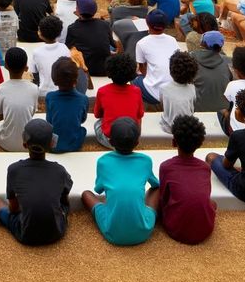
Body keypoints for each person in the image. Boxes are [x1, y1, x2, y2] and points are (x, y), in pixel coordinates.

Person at [0, 119, 73, 246]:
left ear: (24, 144)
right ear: (52, 144)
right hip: (57, 232)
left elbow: (13, 208)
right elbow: (64, 200)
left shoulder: (14, 169)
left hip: (26, 234)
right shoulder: (60, 171)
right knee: (63, 207)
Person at [81, 117, 160, 246]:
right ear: (137, 142)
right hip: (143, 232)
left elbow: (98, 189)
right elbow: (155, 185)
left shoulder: (103, 161)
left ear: (110, 141)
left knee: (86, 194)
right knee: (157, 189)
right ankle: (142, 213)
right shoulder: (145, 161)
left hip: (112, 232)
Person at [157, 116, 216, 245]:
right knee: (212, 203)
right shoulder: (205, 168)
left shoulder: (166, 167)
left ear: (174, 142)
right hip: (206, 229)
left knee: (156, 191)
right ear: (200, 143)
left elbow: (163, 199)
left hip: (176, 230)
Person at [93, 54, 143, 149]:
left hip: (110, 140)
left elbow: (97, 114)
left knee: (97, 123)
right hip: (131, 139)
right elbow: (139, 115)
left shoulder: (102, 91)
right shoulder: (137, 91)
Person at [0, 47, 39, 152]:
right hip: (27, 143)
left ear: (5, 66)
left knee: (0, 129)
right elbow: (31, 113)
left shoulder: (1, 88)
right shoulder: (34, 88)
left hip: (5, 143)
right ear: (26, 68)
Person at [133, 9, 178, 106]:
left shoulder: (141, 43)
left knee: (134, 79)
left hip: (153, 96)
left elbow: (141, 68)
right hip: (173, 92)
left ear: (147, 24)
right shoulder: (173, 40)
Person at [46, 57, 88, 153]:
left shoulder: (50, 97)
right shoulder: (83, 99)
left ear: (54, 80)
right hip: (74, 144)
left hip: (54, 145)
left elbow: (49, 121)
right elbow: (82, 119)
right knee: (83, 130)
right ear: (76, 80)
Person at [65, 0, 114, 77]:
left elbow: (68, 48)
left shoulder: (73, 28)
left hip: (86, 69)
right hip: (105, 69)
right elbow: (112, 43)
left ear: (78, 10)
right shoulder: (105, 24)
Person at [191, 30, 231, 112]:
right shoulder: (229, 62)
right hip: (223, 112)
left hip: (198, 110)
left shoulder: (190, 58)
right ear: (221, 46)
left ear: (202, 43)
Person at [30, 15, 70, 96]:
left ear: (41, 33)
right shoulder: (64, 48)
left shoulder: (37, 52)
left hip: (43, 93)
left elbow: (33, 73)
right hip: (63, 90)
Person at [160, 52, 198, 134]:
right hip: (187, 127)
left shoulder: (163, 88)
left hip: (168, 128)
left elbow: (163, 105)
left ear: (171, 70)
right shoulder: (192, 88)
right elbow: (193, 107)